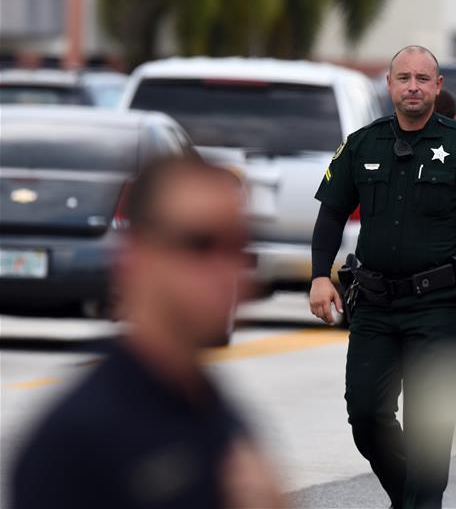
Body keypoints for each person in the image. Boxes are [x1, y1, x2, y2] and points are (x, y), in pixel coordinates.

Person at [309, 45, 456, 509]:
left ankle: (422, 503)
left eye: (423, 79)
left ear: (438, 87)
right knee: (365, 413)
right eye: (403, 78)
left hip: (438, 305)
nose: (413, 87)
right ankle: (410, 496)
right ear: (388, 85)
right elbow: (330, 215)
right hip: (375, 302)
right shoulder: (362, 143)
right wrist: (319, 276)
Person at [12, 157, 282, 509]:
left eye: (238, 247)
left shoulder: (213, 409)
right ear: (134, 255)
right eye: (199, 244)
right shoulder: (76, 442)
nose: (226, 270)